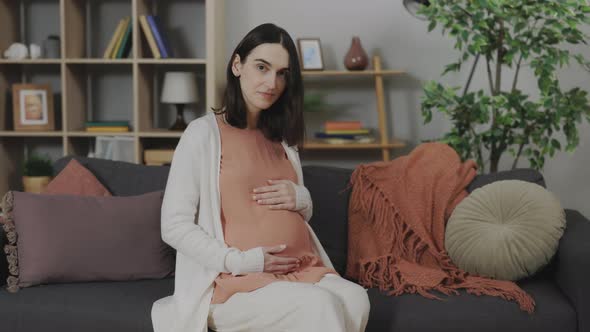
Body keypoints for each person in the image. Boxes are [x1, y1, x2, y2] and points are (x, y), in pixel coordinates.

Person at [151, 23, 370, 332]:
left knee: (356, 299)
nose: (272, 82)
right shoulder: (203, 134)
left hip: (303, 270)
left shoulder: (282, 140)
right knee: (319, 305)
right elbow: (173, 226)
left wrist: (301, 197)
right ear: (237, 65)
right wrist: (241, 261)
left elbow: (298, 211)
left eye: (282, 73)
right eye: (262, 67)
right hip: (237, 281)